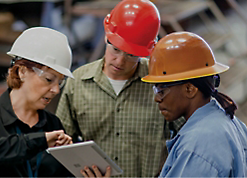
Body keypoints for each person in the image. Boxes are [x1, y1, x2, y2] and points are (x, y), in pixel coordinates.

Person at [56, 0, 185, 177]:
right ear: (105, 35)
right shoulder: (78, 82)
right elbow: (62, 143)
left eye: (131, 55)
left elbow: (188, 137)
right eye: (115, 49)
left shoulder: (160, 81)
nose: (119, 61)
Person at [141, 31, 247, 177]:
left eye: (161, 90)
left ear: (190, 89)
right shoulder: (235, 124)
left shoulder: (196, 147)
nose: (157, 99)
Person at [0, 27, 75, 177]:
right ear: (21, 71)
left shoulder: (52, 125)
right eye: (49, 79)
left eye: (60, 82)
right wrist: (40, 141)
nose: (56, 90)